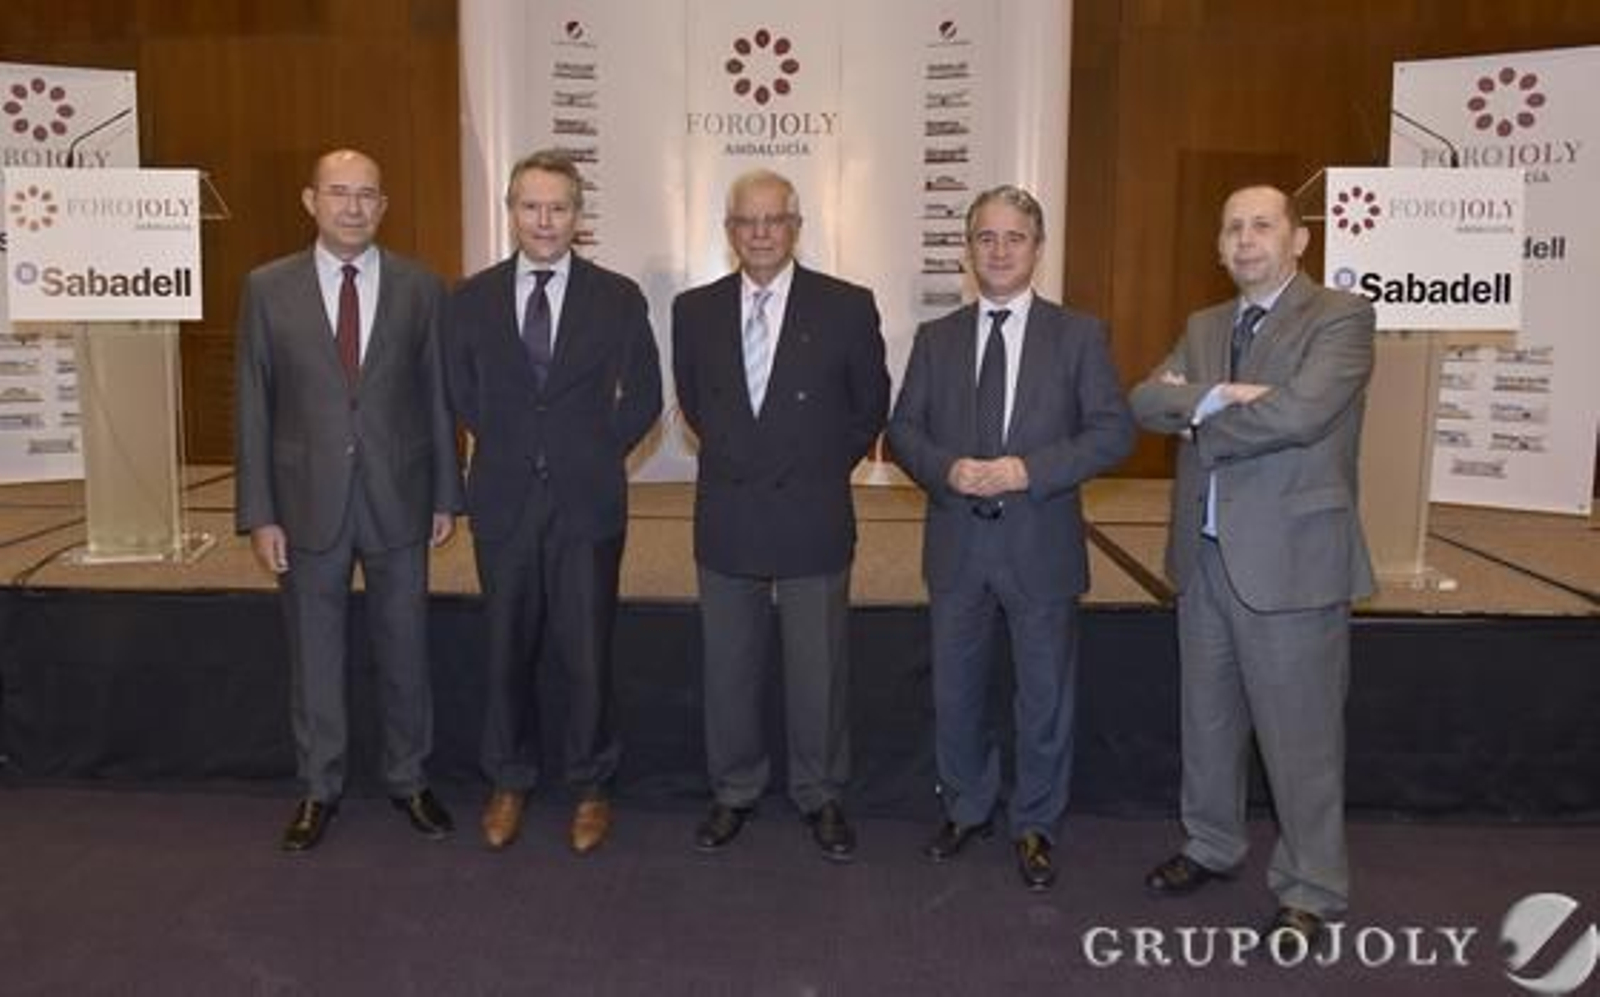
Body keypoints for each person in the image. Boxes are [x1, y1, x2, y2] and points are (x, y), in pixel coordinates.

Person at [1129, 184, 1376, 947]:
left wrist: (1199, 414)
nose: (1245, 239)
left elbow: (1302, 413)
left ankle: (1313, 885)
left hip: (1291, 563)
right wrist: (1225, 394)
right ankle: (1211, 842)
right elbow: (1144, 400)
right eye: (1232, 227)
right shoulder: (1205, 324)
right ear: (1219, 245)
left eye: (1262, 225)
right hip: (1203, 559)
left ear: (1298, 240)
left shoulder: (1341, 316)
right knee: (1207, 723)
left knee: (1301, 737)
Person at [887, 185, 1134, 891]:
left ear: (1038, 247)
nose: (999, 251)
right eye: (986, 238)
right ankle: (965, 807)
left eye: (1014, 237)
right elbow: (903, 430)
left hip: (1040, 543)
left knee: (1044, 696)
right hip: (957, 545)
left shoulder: (1079, 335)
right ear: (968, 250)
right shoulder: (936, 339)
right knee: (956, 691)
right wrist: (945, 468)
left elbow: (1113, 431)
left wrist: (1030, 469)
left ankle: (1036, 823)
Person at [235, 148, 461, 852]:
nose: (354, 207)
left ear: (383, 205)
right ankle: (318, 787)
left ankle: (409, 779)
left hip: (400, 498)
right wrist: (260, 512)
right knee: (315, 654)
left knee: (406, 649)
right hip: (304, 503)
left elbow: (438, 397)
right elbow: (254, 403)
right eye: (339, 192)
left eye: (367, 194)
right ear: (311, 201)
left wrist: (446, 494)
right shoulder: (266, 288)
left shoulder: (422, 287)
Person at [445, 150, 662, 855]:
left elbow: (646, 395)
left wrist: (594, 450)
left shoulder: (617, 297)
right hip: (504, 497)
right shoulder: (470, 298)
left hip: (586, 500)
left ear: (578, 215)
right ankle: (509, 779)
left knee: (587, 650)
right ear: (511, 211)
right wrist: (511, 442)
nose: (544, 220)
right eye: (531, 206)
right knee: (505, 647)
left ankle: (591, 785)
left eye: (558, 207)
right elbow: (460, 389)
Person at [672, 169, 889, 862]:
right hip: (729, 510)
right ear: (729, 230)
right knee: (728, 666)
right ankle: (734, 789)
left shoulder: (848, 306)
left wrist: (816, 466)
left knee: (819, 667)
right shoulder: (694, 310)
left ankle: (820, 793)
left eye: (774, 220)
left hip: (812, 509)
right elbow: (697, 406)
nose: (760, 233)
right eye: (747, 221)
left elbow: (869, 407)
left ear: (796, 227)